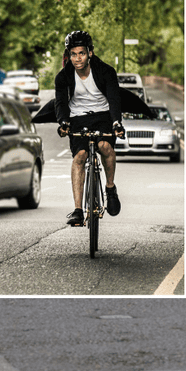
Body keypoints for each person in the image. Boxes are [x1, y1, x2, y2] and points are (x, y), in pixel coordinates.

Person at [54, 30, 125, 227]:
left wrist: (116, 123)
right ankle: (78, 210)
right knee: (80, 156)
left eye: (82, 53)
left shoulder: (106, 71)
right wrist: (64, 123)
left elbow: (114, 98)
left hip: (103, 116)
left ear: (90, 53)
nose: (77, 59)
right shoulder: (63, 77)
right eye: (73, 54)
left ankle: (110, 188)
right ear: (69, 55)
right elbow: (60, 103)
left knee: (105, 147)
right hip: (77, 117)